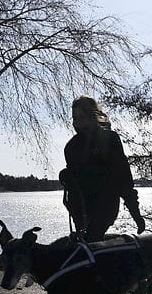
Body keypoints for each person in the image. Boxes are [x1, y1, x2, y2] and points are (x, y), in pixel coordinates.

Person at [60, 96, 145, 241]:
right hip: (81, 209)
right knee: (83, 244)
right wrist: (66, 177)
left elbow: (123, 177)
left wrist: (135, 213)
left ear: (93, 116)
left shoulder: (110, 139)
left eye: (82, 117)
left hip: (105, 205)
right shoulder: (71, 147)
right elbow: (74, 189)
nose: (77, 122)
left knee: (92, 239)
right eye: (75, 118)